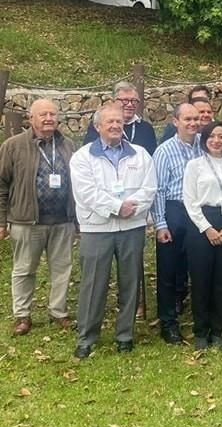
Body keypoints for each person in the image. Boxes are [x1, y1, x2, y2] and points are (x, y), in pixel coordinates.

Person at [70, 102, 157, 358]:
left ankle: (125, 335)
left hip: (132, 227)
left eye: (119, 122)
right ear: (98, 127)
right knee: (93, 283)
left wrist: (133, 207)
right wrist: (118, 206)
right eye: (110, 122)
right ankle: (86, 337)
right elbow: (86, 194)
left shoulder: (140, 154)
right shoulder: (83, 157)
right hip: (97, 228)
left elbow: (149, 188)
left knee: (130, 282)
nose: (116, 126)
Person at [0, 98, 76, 336]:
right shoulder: (13, 146)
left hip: (62, 220)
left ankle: (58, 311)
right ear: (31, 118)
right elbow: (1, 184)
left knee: (62, 268)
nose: (48, 119)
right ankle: (22, 315)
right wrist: (2, 220)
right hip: (26, 220)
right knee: (24, 269)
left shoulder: (68, 145)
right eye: (42, 114)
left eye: (52, 114)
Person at [183, 121, 222, 349]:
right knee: (201, 279)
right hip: (202, 225)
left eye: (221, 136)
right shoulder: (195, 165)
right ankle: (200, 330)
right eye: (212, 136)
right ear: (204, 139)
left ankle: (218, 329)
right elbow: (189, 201)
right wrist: (207, 228)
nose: (217, 140)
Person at [150, 102, 202, 344]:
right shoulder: (164, 151)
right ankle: (168, 323)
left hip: (200, 212)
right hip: (174, 210)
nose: (192, 123)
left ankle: (201, 317)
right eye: (187, 119)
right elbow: (158, 190)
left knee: (197, 266)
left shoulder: (204, 145)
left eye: (196, 119)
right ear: (175, 122)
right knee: (169, 270)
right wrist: (160, 223)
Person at [83, 82, 157, 154]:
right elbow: (90, 154)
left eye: (134, 101)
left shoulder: (146, 128)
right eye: (125, 100)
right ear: (113, 101)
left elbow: (151, 157)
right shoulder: (101, 125)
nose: (130, 105)